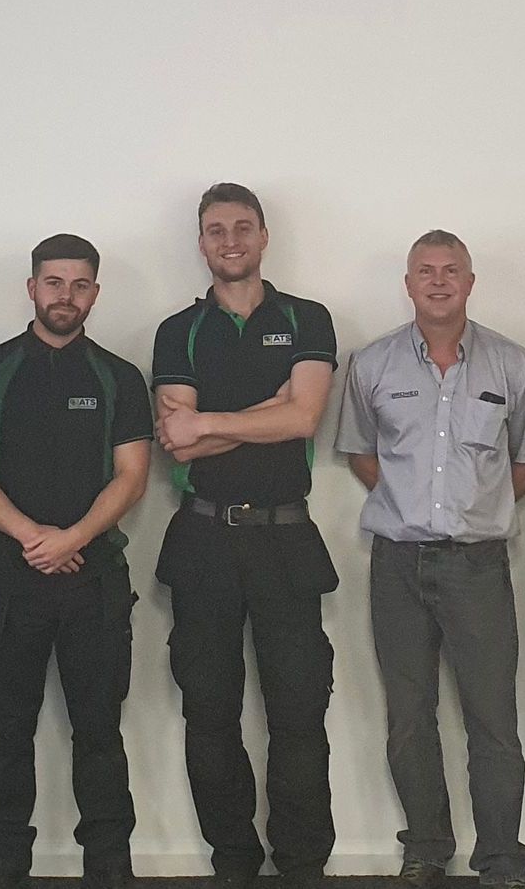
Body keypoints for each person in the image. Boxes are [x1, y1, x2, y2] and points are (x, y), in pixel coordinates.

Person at [336, 229, 525, 889]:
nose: (437, 281)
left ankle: (502, 861)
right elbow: (359, 452)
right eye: (424, 271)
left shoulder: (512, 365)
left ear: (469, 281)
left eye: (450, 270)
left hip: (479, 566)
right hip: (397, 565)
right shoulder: (371, 365)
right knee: (408, 720)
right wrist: (412, 503)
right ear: (407, 284)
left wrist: (474, 507)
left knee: (494, 723)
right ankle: (425, 848)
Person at [0, 234, 151, 889]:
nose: (67, 296)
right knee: (8, 734)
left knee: (99, 733)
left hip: (94, 583)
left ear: (95, 292)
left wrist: (74, 539)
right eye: (54, 282)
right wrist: (34, 535)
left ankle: (110, 872)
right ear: (32, 288)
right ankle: (3, 871)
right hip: (9, 580)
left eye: (80, 284)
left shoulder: (118, 377)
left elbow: (132, 475)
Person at [151, 183, 339, 889]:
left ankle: (301, 866)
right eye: (215, 230)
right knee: (210, 711)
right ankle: (232, 861)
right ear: (202, 243)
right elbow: (178, 443)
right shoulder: (178, 331)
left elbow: (305, 420)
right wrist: (263, 411)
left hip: (286, 542)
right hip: (203, 543)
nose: (230, 241)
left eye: (242, 228)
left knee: (298, 712)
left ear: (264, 237)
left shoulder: (308, 318)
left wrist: (211, 422)